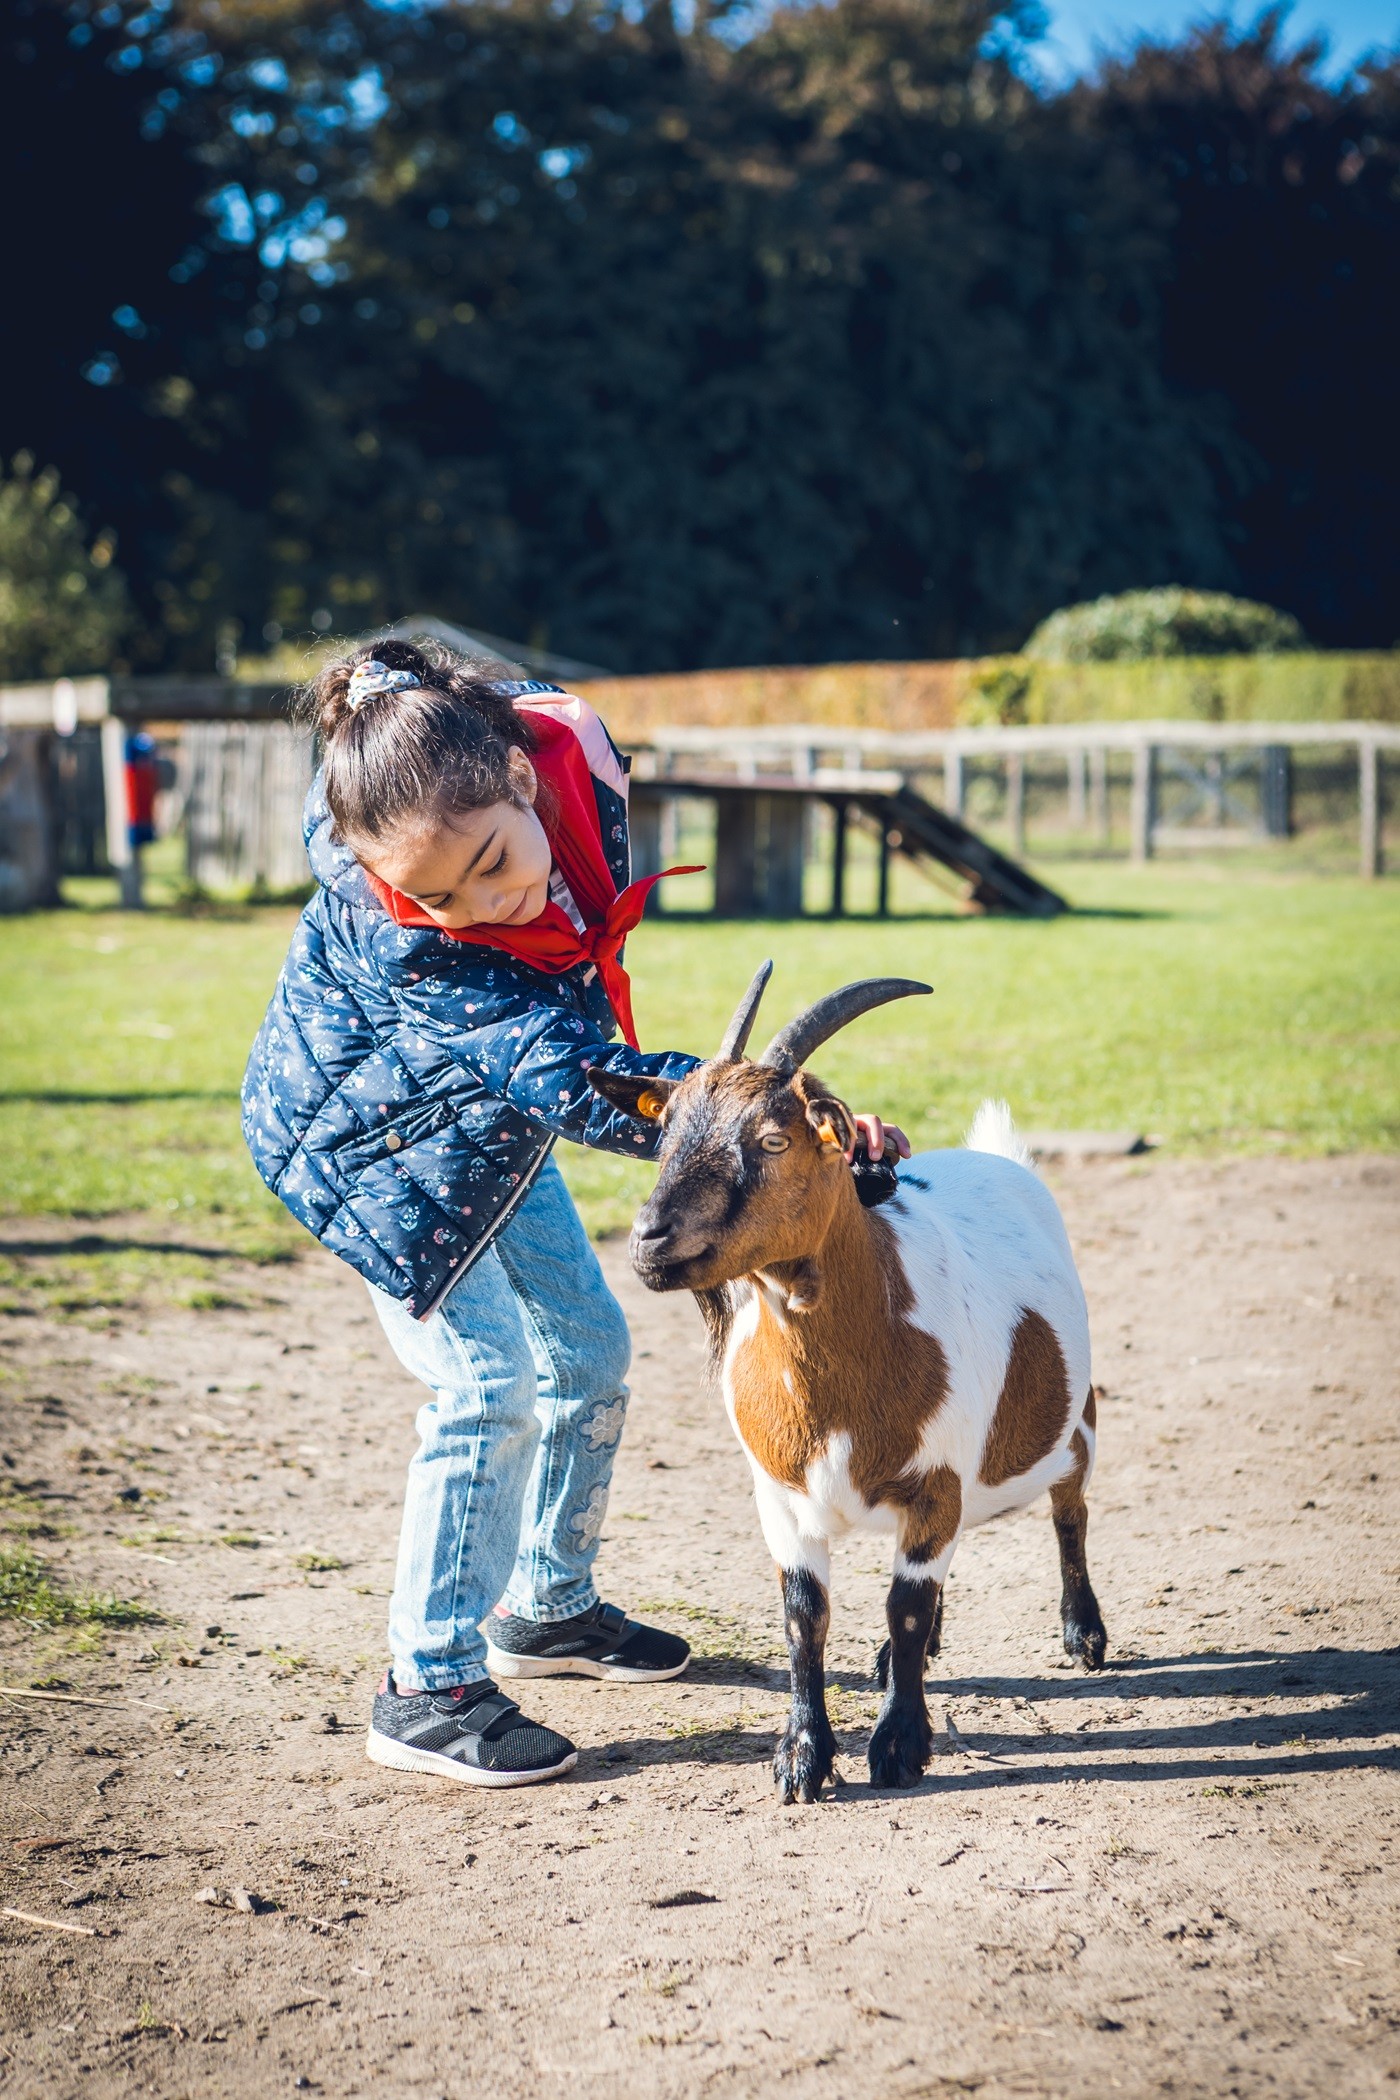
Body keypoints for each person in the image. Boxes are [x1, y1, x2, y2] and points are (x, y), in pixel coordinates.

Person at [242, 637, 907, 1788]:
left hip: (476, 1132)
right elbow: (580, 1080)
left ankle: (546, 1609)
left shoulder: (546, 754)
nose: (479, 905)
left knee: (589, 1350)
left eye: (493, 863)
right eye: (437, 893)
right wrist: (774, 1129)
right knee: (485, 1382)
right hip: (370, 1160)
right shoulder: (421, 948)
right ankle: (425, 1684)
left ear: (515, 773)